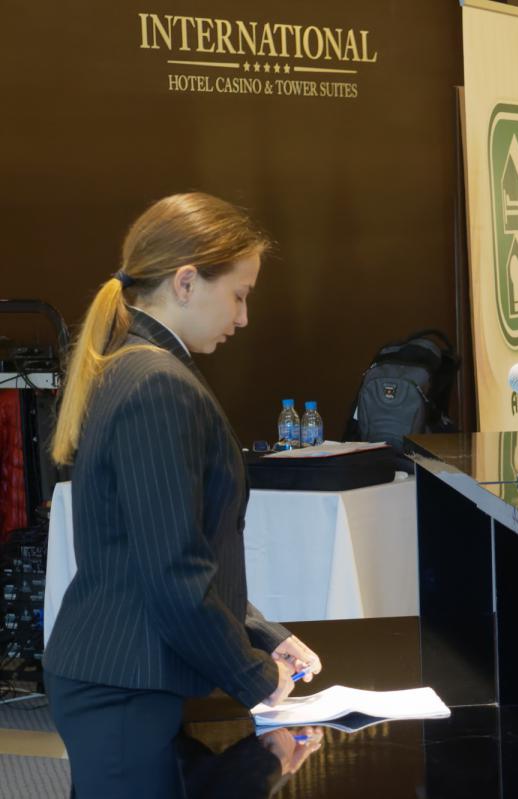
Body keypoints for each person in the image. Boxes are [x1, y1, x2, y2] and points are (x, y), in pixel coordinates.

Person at [44, 192, 323, 797]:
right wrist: (257, 678)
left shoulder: (137, 367)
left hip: (125, 679)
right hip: (124, 685)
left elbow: (165, 552)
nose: (243, 318)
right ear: (187, 281)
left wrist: (264, 634)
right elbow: (173, 571)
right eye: (240, 295)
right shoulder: (156, 383)